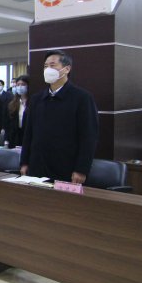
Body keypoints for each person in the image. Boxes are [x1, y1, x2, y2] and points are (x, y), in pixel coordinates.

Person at [20, 50, 98, 184]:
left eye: (52, 65)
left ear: (66, 69)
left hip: (66, 167)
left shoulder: (82, 98)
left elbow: (88, 137)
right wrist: (24, 162)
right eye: (45, 66)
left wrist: (81, 169)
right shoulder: (37, 99)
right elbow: (28, 134)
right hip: (37, 165)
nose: (48, 70)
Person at [4, 75, 29, 149]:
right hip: (14, 137)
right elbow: (7, 124)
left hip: (27, 136)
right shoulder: (12, 103)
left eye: (23, 84)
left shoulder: (33, 102)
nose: (20, 87)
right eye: (18, 85)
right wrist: (6, 140)